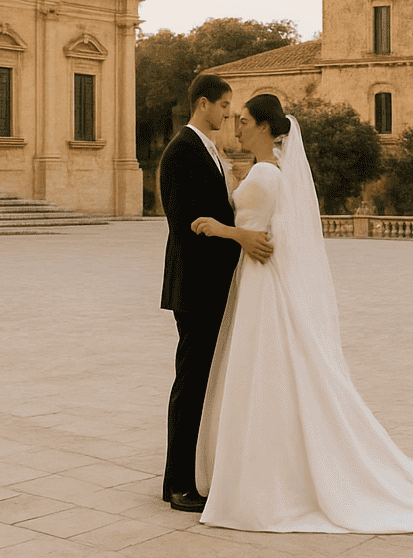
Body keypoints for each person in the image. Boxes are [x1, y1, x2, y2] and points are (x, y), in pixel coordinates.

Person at [190, 94, 413, 532]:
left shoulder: (269, 174)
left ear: (269, 128)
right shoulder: (263, 172)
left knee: (266, 371)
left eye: (247, 120)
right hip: (254, 283)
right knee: (263, 372)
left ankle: (266, 479)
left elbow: (265, 239)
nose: (238, 127)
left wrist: (222, 229)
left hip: (261, 282)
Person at [158, 74, 273, 513]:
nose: (228, 113)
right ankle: (179, 486)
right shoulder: (180, 151)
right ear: (203, 104)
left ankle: (182, 477)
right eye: (224, 105)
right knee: (190, 384)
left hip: (213, 286)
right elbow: (184, 222)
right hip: (195, 288)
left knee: (200, 382)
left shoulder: (209, 149)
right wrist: (237, 235)